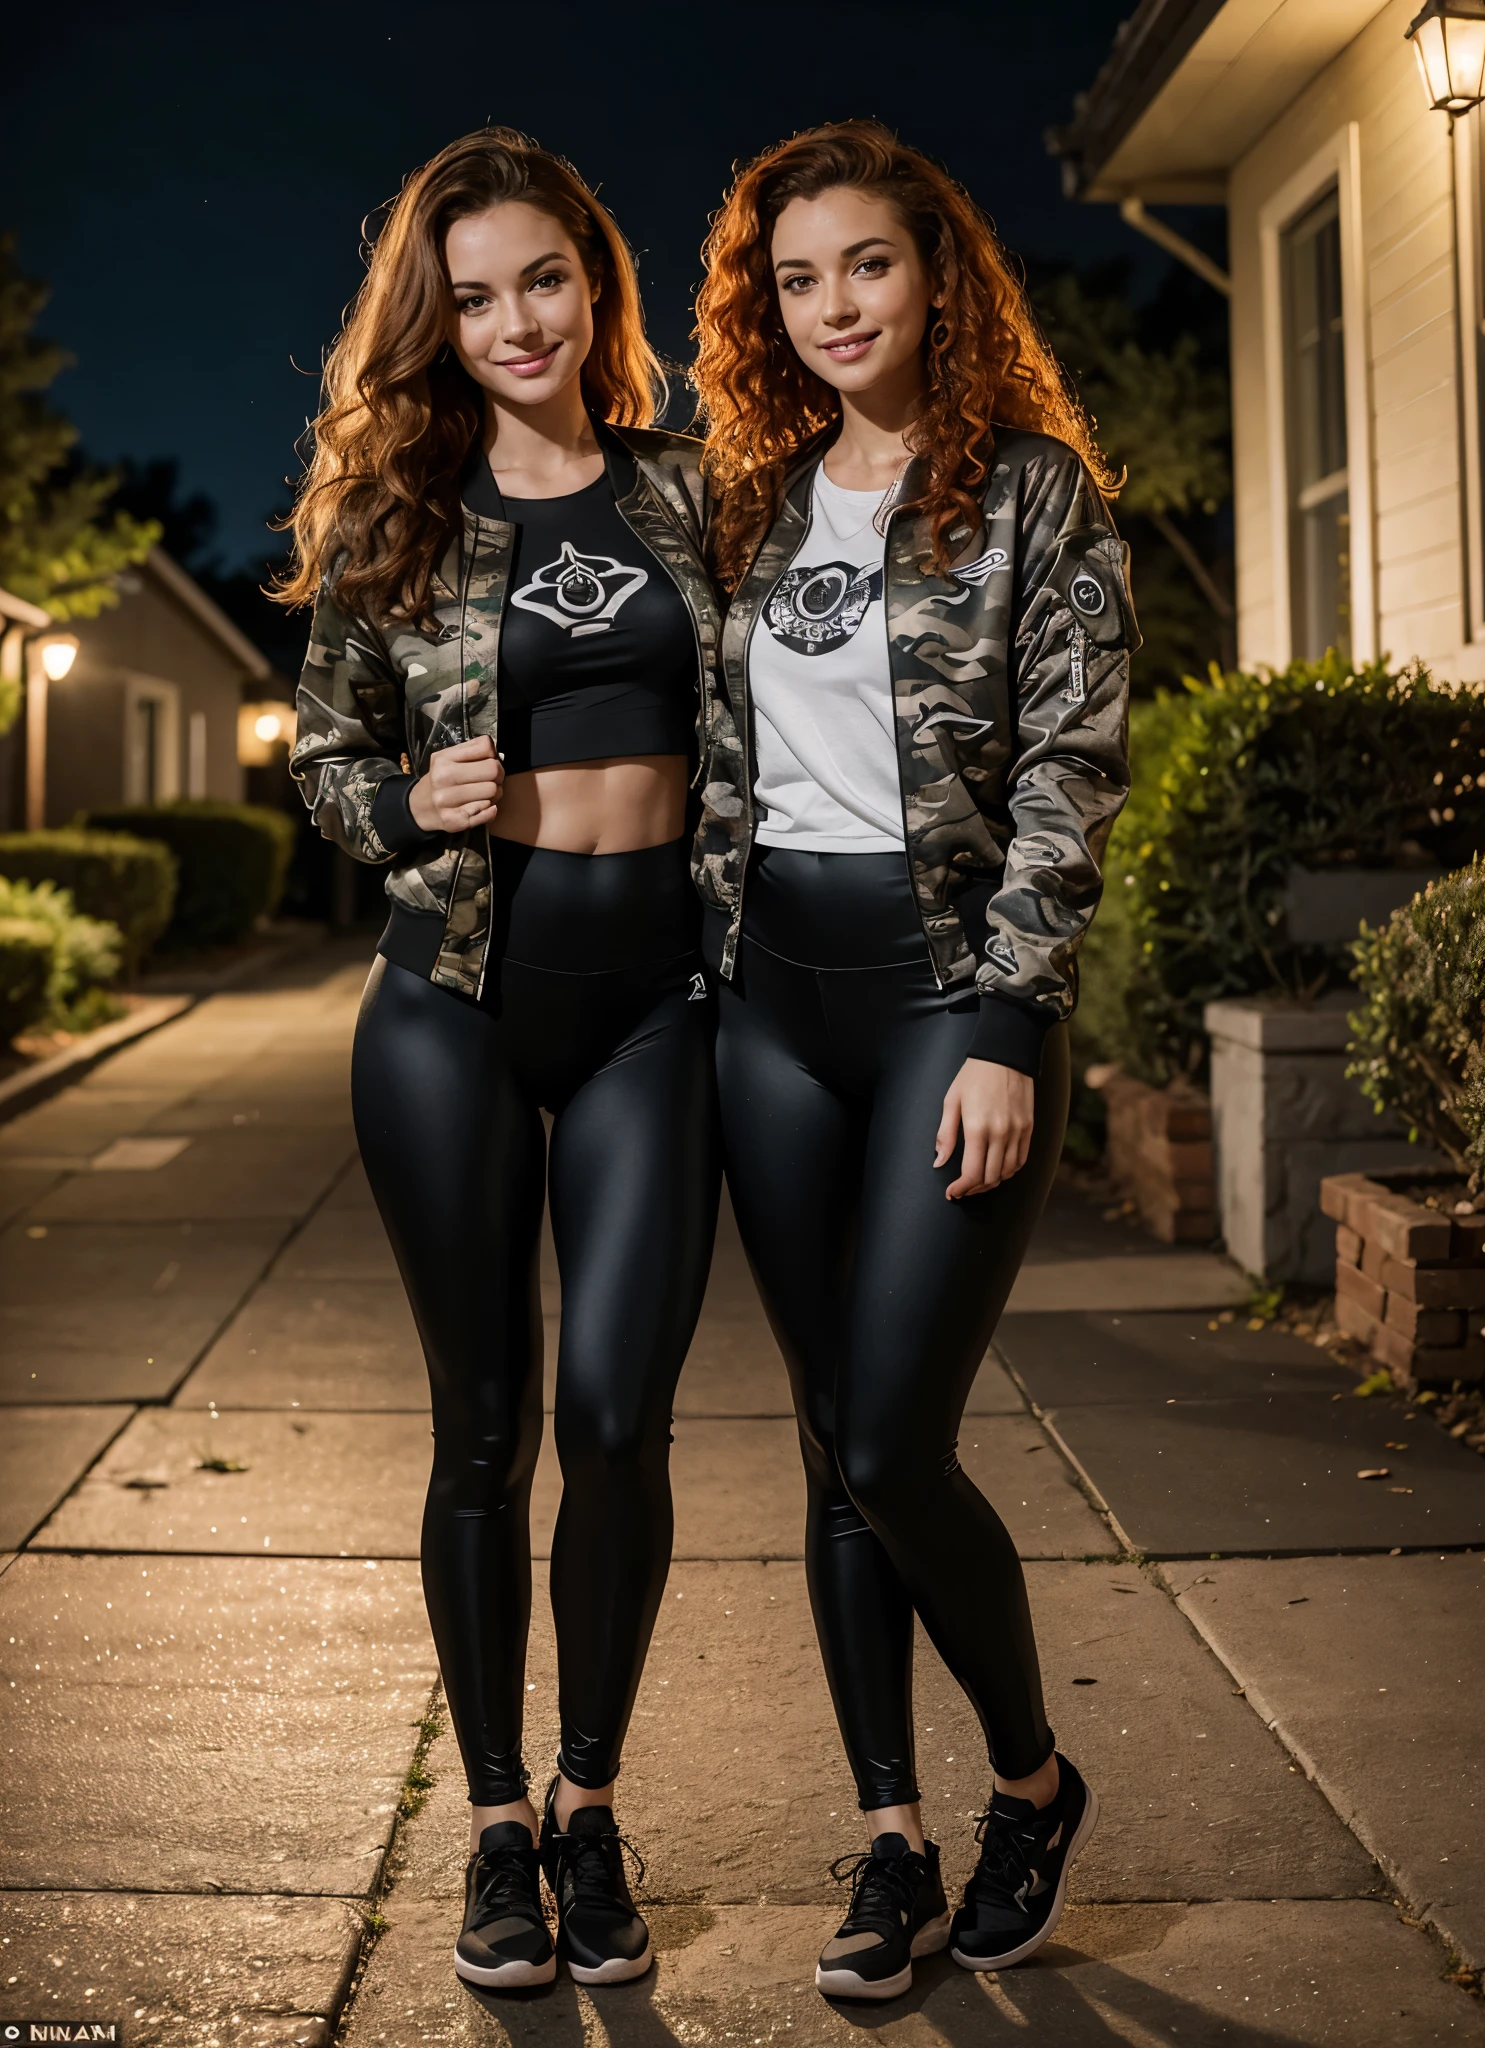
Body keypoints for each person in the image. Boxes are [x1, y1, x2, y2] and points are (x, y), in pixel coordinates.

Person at [690, 119, 1136, 2001]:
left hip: (952, 997)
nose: (832, 306)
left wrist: (1018, 1019)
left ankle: (1030, 1780)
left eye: (865, 264)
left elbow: (1071, 765)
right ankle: (893, 1842)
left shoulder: (1034, 493)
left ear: (935, 274)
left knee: (895, 1435)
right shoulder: (759, 505)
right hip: (771, 1001)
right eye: (795, 279)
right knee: (827, 1449)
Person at [280, 129, 724, 1991]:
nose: (513, 322)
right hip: (452, 1004)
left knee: (617, 1418)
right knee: (487, 1427)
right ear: (436, 320)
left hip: (654, 1006)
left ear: (593, 285)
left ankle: (594, 1799)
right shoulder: (401, 514)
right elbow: (320, 758)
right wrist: (407, 794)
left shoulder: (708, 496)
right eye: (471, 297)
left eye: (542, 280)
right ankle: (491, 1828)